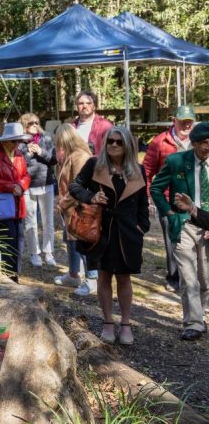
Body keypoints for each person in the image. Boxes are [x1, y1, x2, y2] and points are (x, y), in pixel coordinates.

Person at [69, 127, 149, 345]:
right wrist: (91, 196)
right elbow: (74, 186)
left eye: (118, 142)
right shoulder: (95, 165)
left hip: (128, 233)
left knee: (124, 277)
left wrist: (143, 226)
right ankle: (107, 322)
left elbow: (143, 202)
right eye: (110, 141)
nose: (113, 145)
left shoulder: (138, 170)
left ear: (128, 146)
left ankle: (125, 324)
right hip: (100, 231)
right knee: (104, 276)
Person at [150, 121, 209, 341]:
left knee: (205, 276)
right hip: (183, 224)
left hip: (207, 225)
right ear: (193, 143)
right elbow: (156, 188)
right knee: (188, 276)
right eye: (203, 143)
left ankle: (200, 315)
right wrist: (168, 213)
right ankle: (193, 322)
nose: (207, 147)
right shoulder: (176, 161)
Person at [143, 105, 195, 293]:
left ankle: (192, 277)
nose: (186, 125)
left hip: (195, 200)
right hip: (167, 200)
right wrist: (149, 197)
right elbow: (147, 171)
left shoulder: (199, 141)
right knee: (172, 240)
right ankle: (174, 278)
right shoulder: (160, 142)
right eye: (183, 121)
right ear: (174, 120)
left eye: (189, 122)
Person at [0, 122, 31, 283]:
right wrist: (10, 187)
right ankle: (10, 279)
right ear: (4, 140)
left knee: (19, 242)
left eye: (19, 141)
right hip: (2, 206)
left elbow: (26, 175)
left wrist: (21, 185)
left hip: (19, 204)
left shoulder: (19, 154)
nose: (17, 144)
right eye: (14, 141)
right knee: (7, 242)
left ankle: (14, 277)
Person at [53, 123, 98, 295]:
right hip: (71, 209)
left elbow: (80, 186)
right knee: (71, 242)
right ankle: (73, 274)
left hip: (80, 208)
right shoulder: (70, 155)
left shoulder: (80, 156)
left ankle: (92, 280)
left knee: (84, 243)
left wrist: (64, 202)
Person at [17, 112, 58, 267]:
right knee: (30, 221)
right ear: (24, 126)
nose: (34, 125)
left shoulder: (46, 138)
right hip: (28, 186)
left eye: (36, 122)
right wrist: (28, 152)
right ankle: (34, 253)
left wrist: (40, 152)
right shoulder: (19, 142)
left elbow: (54, 160)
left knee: (48, 220)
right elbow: (18, 165)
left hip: (46, 183)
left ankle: (49, 252)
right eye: (30, 123)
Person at [69, 90, 113, 155]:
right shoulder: (71, 127)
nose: (84, 106)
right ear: (77, 107)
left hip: (98, 164)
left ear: (94, 106)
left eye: (88, 103)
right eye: (81, 103)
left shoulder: (105, 126)